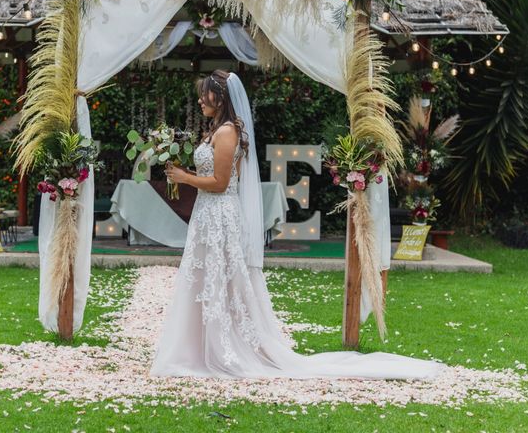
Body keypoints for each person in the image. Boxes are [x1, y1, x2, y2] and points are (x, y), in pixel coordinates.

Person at [150, 70, 442, 380]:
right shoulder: (216, 131)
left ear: (220, 98)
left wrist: (184, 178)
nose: (199, 99)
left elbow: (221, 183)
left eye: (205, 94)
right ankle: (199, 345)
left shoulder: (226, 133)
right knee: (207, 276)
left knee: (222, 278)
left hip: (220, 212)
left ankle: (223, 347)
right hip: (207, 214)